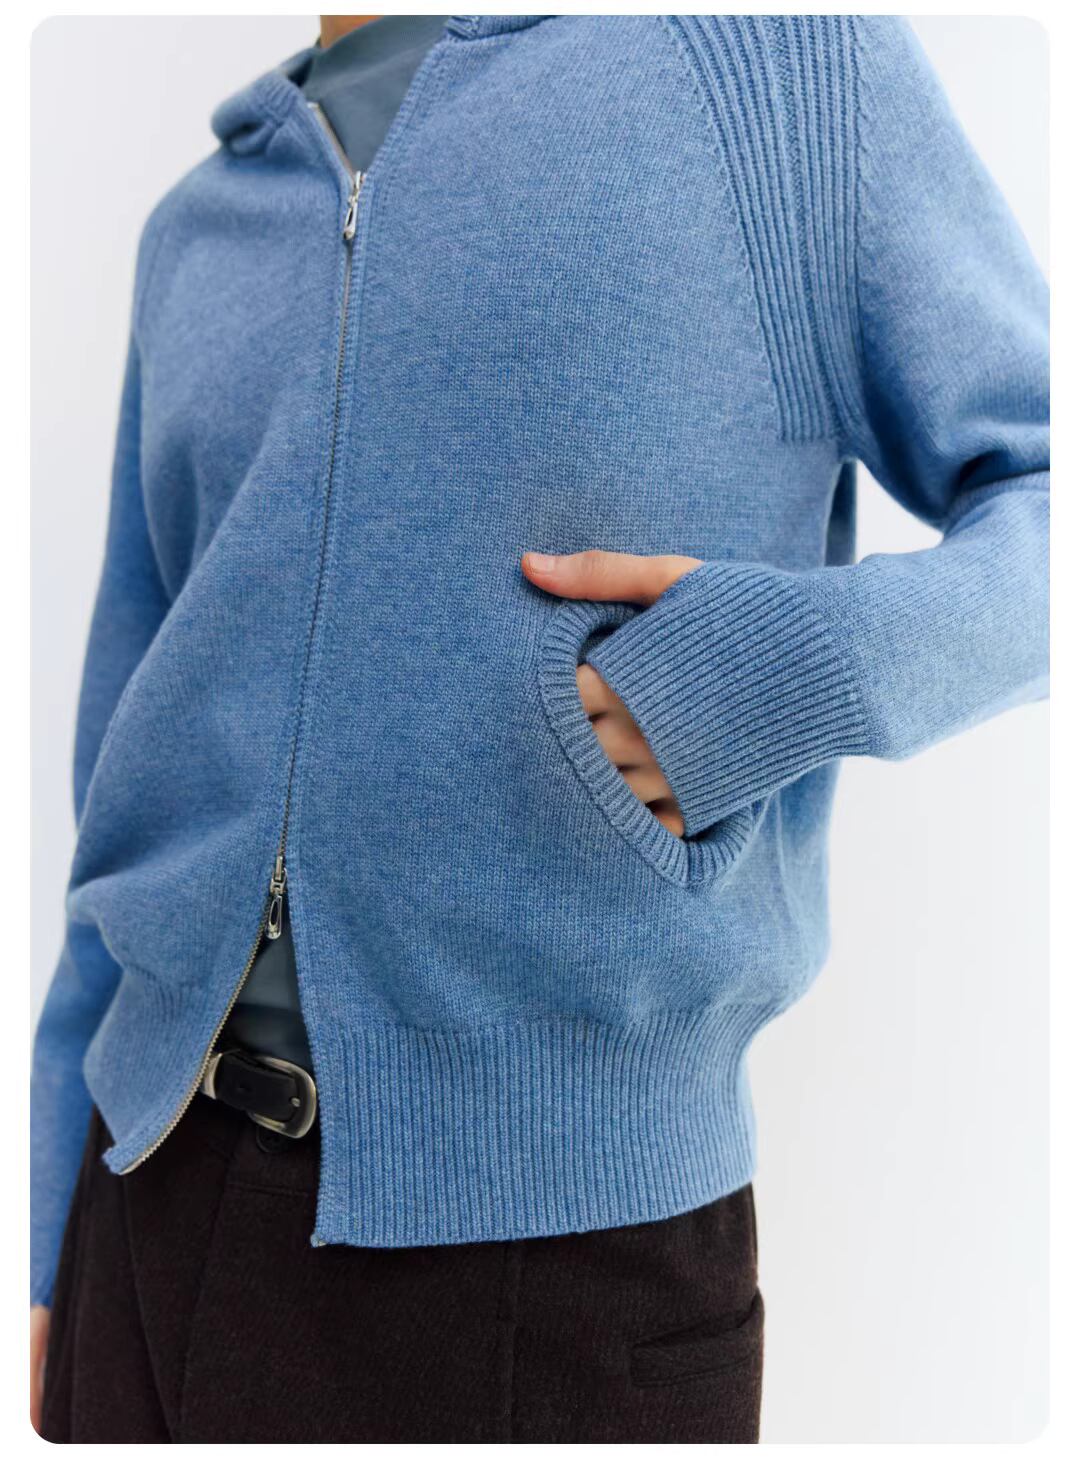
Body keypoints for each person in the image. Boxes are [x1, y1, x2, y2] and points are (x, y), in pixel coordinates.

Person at [30, 12, 1048, 1443]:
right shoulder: (198, 224)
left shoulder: (784, 73)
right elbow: (120, 768)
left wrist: (764, 671)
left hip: (557, 1252)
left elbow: (1042, 503)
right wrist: (47, 1230)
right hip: (143, 1190)